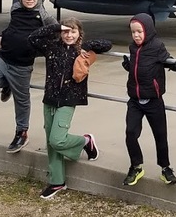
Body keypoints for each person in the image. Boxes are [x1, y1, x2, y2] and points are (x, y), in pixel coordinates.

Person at [28, 17, 113, 199]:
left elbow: (107, 44)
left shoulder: (81, 51)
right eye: (66, 31)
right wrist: (57, 27)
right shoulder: (51, 46)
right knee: (51, 142)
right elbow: (32, 38)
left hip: (69, 100)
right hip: (50, 98)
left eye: (73, 31)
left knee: (57, 140)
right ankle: (57, 181)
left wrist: (87, 44)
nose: (69, 35)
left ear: (79, 33)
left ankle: (85, 142)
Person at [0, 0, 54, 154]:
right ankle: (7, 85)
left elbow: (56, 32)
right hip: (3, 57)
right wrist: (2, 37)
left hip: (22, 66)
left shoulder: (43, 16)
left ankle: (22, 133)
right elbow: (13, 28)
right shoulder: (15, 9)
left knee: (22, 101)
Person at [121, 13, 176, 186]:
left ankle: (165, 168)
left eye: (139, 32)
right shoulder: (132, 48)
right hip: (135, 100)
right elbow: (136, 67)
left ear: (148, 30)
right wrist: (129, 66)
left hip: (153, 101)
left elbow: (167, 61)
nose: (136, 35)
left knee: (160, 135)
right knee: (130, 133)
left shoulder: (157, 46)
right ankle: (136, 166)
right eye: (133, 32)